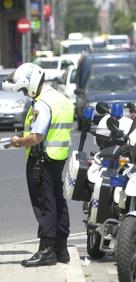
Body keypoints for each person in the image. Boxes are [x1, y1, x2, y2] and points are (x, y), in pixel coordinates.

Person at [2, 63, 74, 267]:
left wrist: (16, 141)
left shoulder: (42, 103)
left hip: (41, 159)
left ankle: (47, 250)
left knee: (44, 204)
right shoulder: (61, 99)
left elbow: (35, 137)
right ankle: (61, 249)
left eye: (24, 89)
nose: (25, 94)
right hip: (57, 157)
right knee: (57, 202)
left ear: (31, 84)